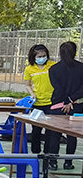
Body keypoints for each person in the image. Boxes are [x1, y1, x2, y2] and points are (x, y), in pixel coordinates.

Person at [47, 41, 83, 170]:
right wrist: (71, 100)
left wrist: (65, 101)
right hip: (76, 105)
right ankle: (68, 162)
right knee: (72, 135)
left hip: (58, 104)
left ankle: (53, 162)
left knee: (55, 134)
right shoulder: (81, 68)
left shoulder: (53, 69)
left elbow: (57, 87)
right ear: (75, 52)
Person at [23, 44, 55, 154]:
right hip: (37, 103)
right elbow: (27, 84)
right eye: (39, 56)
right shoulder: (29, 69)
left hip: (51, 102)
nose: (42, 58)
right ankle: (35, 153)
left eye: (44, 56)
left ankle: (47, 154)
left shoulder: (52, 65)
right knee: (36, 130)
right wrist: (32, 94)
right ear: (34, 57)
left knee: (50, 130)